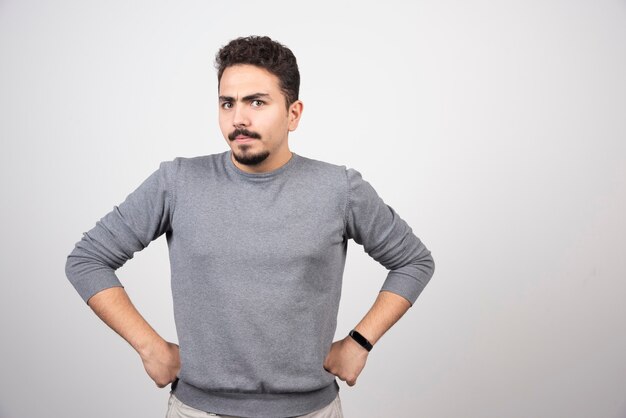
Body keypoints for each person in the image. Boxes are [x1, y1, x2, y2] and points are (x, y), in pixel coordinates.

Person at [65, 35, 435, 418]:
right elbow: (87, 259)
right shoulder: (177, 182)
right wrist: (149, 346)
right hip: (197, 410)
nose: (239, 118)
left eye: (257, 102)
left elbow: (413, 262)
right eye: (228, 103)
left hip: (310, 411)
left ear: (293, 113)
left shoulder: (338, 189)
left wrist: (359, 342)